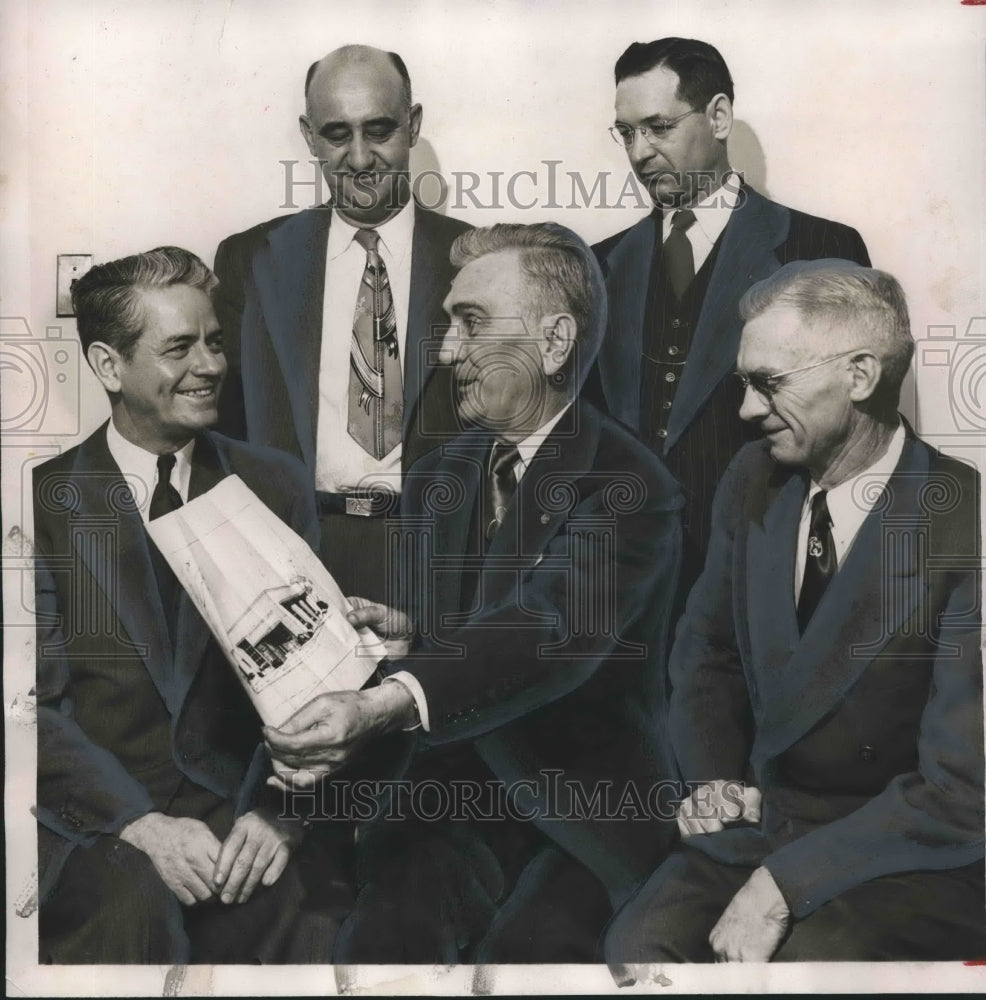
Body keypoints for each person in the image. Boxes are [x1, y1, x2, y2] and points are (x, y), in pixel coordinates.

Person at [266, 223, 684, 962]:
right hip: (446, 799)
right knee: (379, 952)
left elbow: (549, 628)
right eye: (448, 323)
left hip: (580, 819)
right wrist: (412, 636)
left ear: (555, 344)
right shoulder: (439, 475)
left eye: (472, 323)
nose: (448, 351)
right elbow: (467, 638)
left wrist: (379, 704)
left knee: (524, 963)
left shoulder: (630, 483)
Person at [604, 260, 984, 967]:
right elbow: (707, 652)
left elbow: (962, 793)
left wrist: (782, 885)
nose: (747, 410)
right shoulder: (754, 478)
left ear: (861, 377)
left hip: (907, 851)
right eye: (745, 383)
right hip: (765, 824)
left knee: (806, 965)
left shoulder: (964, 522)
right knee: (638, 949)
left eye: (768, 384)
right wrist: (713, 776)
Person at [33, 247, 348, 963]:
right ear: (109, 367)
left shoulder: (275, 484)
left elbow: (319, 689)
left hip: (244, 819)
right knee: (128, 912)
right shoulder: (38, 502)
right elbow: (28, 711)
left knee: (310, 924)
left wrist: (280, 817)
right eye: (180, 348)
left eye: (213, 341)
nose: (209, 365)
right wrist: (137, 823)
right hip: (99, 822)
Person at [591, 37, 870, 589]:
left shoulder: (820, 249)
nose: (639, 152)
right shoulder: (598, 266)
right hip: (626, 594)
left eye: (658, 127)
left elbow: (859, 441)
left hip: (767, 580)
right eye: (627, 132)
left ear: (718, 116)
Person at [213, 44, 471, 601]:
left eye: (379, 130)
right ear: (308, 136)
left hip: (439, 558)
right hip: (294, 556)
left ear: (413, 125)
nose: (358, 158)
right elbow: (223, 432)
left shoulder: (476, 260)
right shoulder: (251, 261)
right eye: (336, 135)